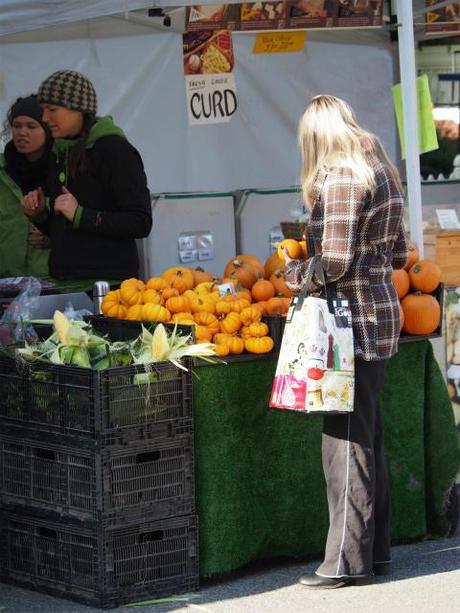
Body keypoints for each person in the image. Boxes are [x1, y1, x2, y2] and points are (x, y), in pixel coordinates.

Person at [282, 94, 409, 589]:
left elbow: (332, 262)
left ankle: (343, 562)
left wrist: (296, 275)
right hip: (379, 313)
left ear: (316, 137)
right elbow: (400, 254)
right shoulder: (382, 171)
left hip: (345, 323)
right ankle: (375, 554)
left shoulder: (340, 178)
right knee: (368, 436)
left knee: (346, 442)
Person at [22, 70, 152, 281]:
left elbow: (140, 222)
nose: (45, 118)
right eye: (43, 110)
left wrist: (80, 214)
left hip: (109, 287)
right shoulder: (59, 151)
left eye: (52, 109)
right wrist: (40, 214)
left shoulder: (115, 150)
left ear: (79, 109)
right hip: (64, 282)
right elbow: (66, 228)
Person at [0, 95, 52, 278]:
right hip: (7, 283)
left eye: (31, 126)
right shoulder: (2, 171)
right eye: (16, 126)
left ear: (48, 129)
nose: (22, 133)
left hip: (56, 282)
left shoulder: (64, 169)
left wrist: (54, 238)